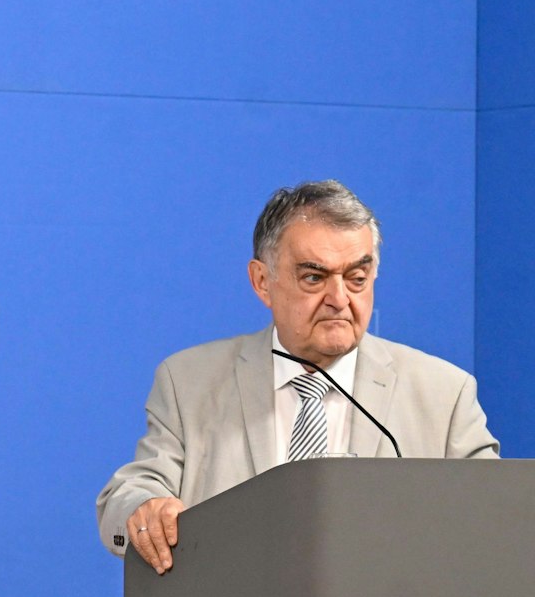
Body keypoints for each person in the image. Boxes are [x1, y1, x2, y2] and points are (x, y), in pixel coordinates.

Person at [95, 180, 497, 574]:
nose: (340, 299)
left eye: (357, 278)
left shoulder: (445, 393)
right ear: (262, 282)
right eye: (314, 278)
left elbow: (498, 518)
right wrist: (144, 511)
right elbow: (128, 496)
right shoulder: (189, 383)